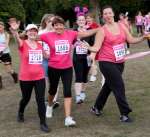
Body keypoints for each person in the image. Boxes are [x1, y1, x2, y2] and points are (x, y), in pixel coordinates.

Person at [84, 5, 148, 123]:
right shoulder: (102, 30)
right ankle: (124, 114)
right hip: (106, 62)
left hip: (119, 62)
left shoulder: (122, 26)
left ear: (113, 13)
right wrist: (88, 47)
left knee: (108, 86)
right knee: (119, 85)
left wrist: (143, 37)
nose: (108, 15)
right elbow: (97, 48)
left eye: (109, 13)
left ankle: (96, 107)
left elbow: (131, 40)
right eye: (105, 14)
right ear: (102, 16)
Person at [39, 16, 98, 127]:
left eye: (60, 24)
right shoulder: (47, 35)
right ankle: (50, 106)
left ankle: (67, 118)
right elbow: (33, 38)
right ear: (53, 26)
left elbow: (86, 34)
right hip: (53, 68)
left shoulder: (71, 34)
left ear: (64, 26)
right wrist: (19, 34)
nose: (58, 27)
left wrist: (100, 29)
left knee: (67, 91)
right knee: (52, 90)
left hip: (67, 68)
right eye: (56, 25)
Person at [9, 22, 50, 132]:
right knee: (25, 99)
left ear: (37, 33)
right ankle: (21, 111)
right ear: (27, 32)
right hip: (26, 78)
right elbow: (17, 40)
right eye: (30, 30)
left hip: (39, 77)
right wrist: (15, 32)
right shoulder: (23, 44)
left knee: (40, 99)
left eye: (35, 30)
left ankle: (43, 123)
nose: (33, 32)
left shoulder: (40, 45)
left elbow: (47, 56)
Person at [39, 14, 60, 112]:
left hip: (56, 59)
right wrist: (44, 54)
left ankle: (54, 100)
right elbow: (39, 45)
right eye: (49, 21)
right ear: (45, 22)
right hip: (44, 59)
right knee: (47, 79)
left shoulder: (57, 32)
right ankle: (50, 97)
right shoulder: (41, 32)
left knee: (55, 79)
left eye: (53, 21)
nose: (51, 23)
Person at [73, 14, 95, 104]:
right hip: (77, 57)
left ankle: (82, 92)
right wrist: (75, 43)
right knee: (78, 76)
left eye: (83, 20)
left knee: (85, 76)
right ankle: (78, 96)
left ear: (85, 21)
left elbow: (93, 44)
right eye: (79, 20)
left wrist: (90, 49)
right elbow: (70, 43)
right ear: (77, 22)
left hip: (88, 57)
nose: (81, 21)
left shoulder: (90, 31)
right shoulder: (74, 32)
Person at [0, 21, 18, 89]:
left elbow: (6, 44)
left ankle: (15, 75)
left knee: (8, 70)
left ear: (3, 27)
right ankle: (0, 84)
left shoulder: (6, 34)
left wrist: (1, 51)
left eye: (0, 27)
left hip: (5, 54)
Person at [85, 13, 100, 82]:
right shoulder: (85, 26)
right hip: (87, 46)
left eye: (89, 18)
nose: (88, 19)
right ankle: (93, 72)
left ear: (92, 19)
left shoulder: (96, 26)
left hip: (94, 46)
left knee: (92, 59)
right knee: (89, 61)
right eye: (87, 18)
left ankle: (93, 75)